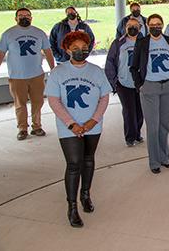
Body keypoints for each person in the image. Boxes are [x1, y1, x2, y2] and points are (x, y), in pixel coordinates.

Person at [45, 31, 111, 228]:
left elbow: (104, 97)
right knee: (74, 163)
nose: (80, 52)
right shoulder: (58, 73)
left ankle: (85, 195)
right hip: (69, 127)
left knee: (89, 160)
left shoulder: (96, 71)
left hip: (92, 125)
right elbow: (54, 101)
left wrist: (93, 120)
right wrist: (71, 123)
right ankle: (72, 206)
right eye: (75, 49)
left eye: (84, 49)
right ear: (67, 49)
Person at [0, 8, 55, 140]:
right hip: (17, 77)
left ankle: (37, 126)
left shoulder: (39, 33)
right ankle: (22, 128)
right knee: (20, 104)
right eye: (21, 15)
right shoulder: (8, 34)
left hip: (37, 75)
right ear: (16, 18)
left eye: (27, 15)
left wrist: (53, 68)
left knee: (37, 102)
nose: (24, 17)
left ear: (31, 18)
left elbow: (48, 51)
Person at [130, 14, 169, 174]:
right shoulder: (142, 42)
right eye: (152, 24)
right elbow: (134, 67)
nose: (156, 27)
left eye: (158, 24)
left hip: (168, 86)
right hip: (150, 87)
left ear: (162, 25)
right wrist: (140, 85)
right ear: (147, 25)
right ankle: (154, 162)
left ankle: (165, 158)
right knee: (153, 126)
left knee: (164, 126)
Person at [105, 17, 144, 147]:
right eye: (129, 25)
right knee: (129, 111)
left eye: (135, 25)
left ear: (140, 28)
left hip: (140, 83)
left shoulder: (145, 42)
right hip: (123, 83)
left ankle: (137, 133)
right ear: (125, 28)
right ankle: (130, 137)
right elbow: (110, 62)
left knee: (140, 111)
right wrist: (114, 82)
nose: (132, 28)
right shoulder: (118, 43)